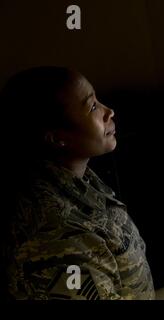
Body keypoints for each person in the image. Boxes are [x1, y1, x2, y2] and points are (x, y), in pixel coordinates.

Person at [1, 66, 155, 300]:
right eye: (92, 106)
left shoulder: (76, 179)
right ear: (56, 138)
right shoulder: (56, 234)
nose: (109, 111)